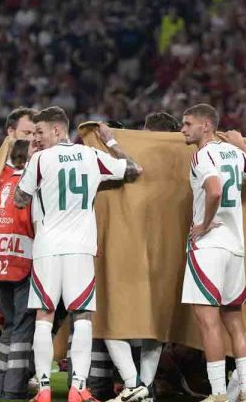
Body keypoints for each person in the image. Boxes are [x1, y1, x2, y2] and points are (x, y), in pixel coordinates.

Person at [14, 106, 142, 402]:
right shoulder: (91, 156)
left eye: (40, 132)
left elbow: (20, 200)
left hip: (47, 249)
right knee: (82, 316)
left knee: (44, 316)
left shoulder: (41, 159)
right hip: (80, 249)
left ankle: (44, 389)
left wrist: (32, 168)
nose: (36, 138)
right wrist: (110, 142)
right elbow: (135, 169)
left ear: (57, 130)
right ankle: (78, 388)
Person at [179, 103, 246, 402]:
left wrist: (203, 225)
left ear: (206, 126)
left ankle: (217, 393)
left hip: (209, 248)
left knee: (208, 322)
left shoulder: (202, 154)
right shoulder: (234, 152)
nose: (183, 129)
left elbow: (214, 190)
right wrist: (242, 145)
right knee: (236, 323)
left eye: (187, 123)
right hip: (235, 247)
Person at [100, 112, 180, 402]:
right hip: (168, 252)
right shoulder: (182, 158)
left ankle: (135, 383)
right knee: (155, 325)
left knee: (111, 318)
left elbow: (131, 168)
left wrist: (110, 142)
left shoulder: (139, 155)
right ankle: (144, 388)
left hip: (130, 246)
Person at [0, 139, 36, 399]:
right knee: (23, 325)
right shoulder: (30, 183)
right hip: (21, 259)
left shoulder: (3, 179)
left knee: (10, 326)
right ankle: (14, 389)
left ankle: (2, 386)